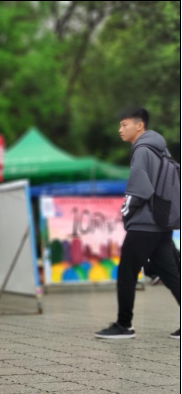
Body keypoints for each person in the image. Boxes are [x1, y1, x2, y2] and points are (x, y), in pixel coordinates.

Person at [96, 108, 180, 341]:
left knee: (127, 272)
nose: (120, 130)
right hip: (161, 221)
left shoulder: (142, 149)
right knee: (171, 275)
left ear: (139, 125)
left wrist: (125, 213)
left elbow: (139, 189)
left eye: (124, 124)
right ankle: (124, 324)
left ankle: (124, 325)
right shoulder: (160, 148)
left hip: (144, 223)